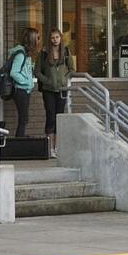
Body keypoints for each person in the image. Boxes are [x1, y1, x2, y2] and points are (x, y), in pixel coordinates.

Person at [35, 28, 74, 158]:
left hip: (61, 89)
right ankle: (49, 147)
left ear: (61, 38)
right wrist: (47, 80)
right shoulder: (44, 53)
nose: (55, 40)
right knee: (50, 116)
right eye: (52, 38)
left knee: (59, 116)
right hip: (48, 90)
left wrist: (65, 79)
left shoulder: (66, 51)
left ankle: (57, 147)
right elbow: (37, 71)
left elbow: (72, 69)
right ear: (49, 39)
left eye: (57, 37)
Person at [6, 29, 37, 139]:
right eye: (36, 38)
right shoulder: (21, 54)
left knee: (24, 118)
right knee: (23, 118)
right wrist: (26, 81)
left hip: (25, 89)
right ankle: (20, 140)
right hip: (21, 90)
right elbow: (14, 72)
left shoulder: (26, 54)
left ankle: (21, 138)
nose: (38, 40)